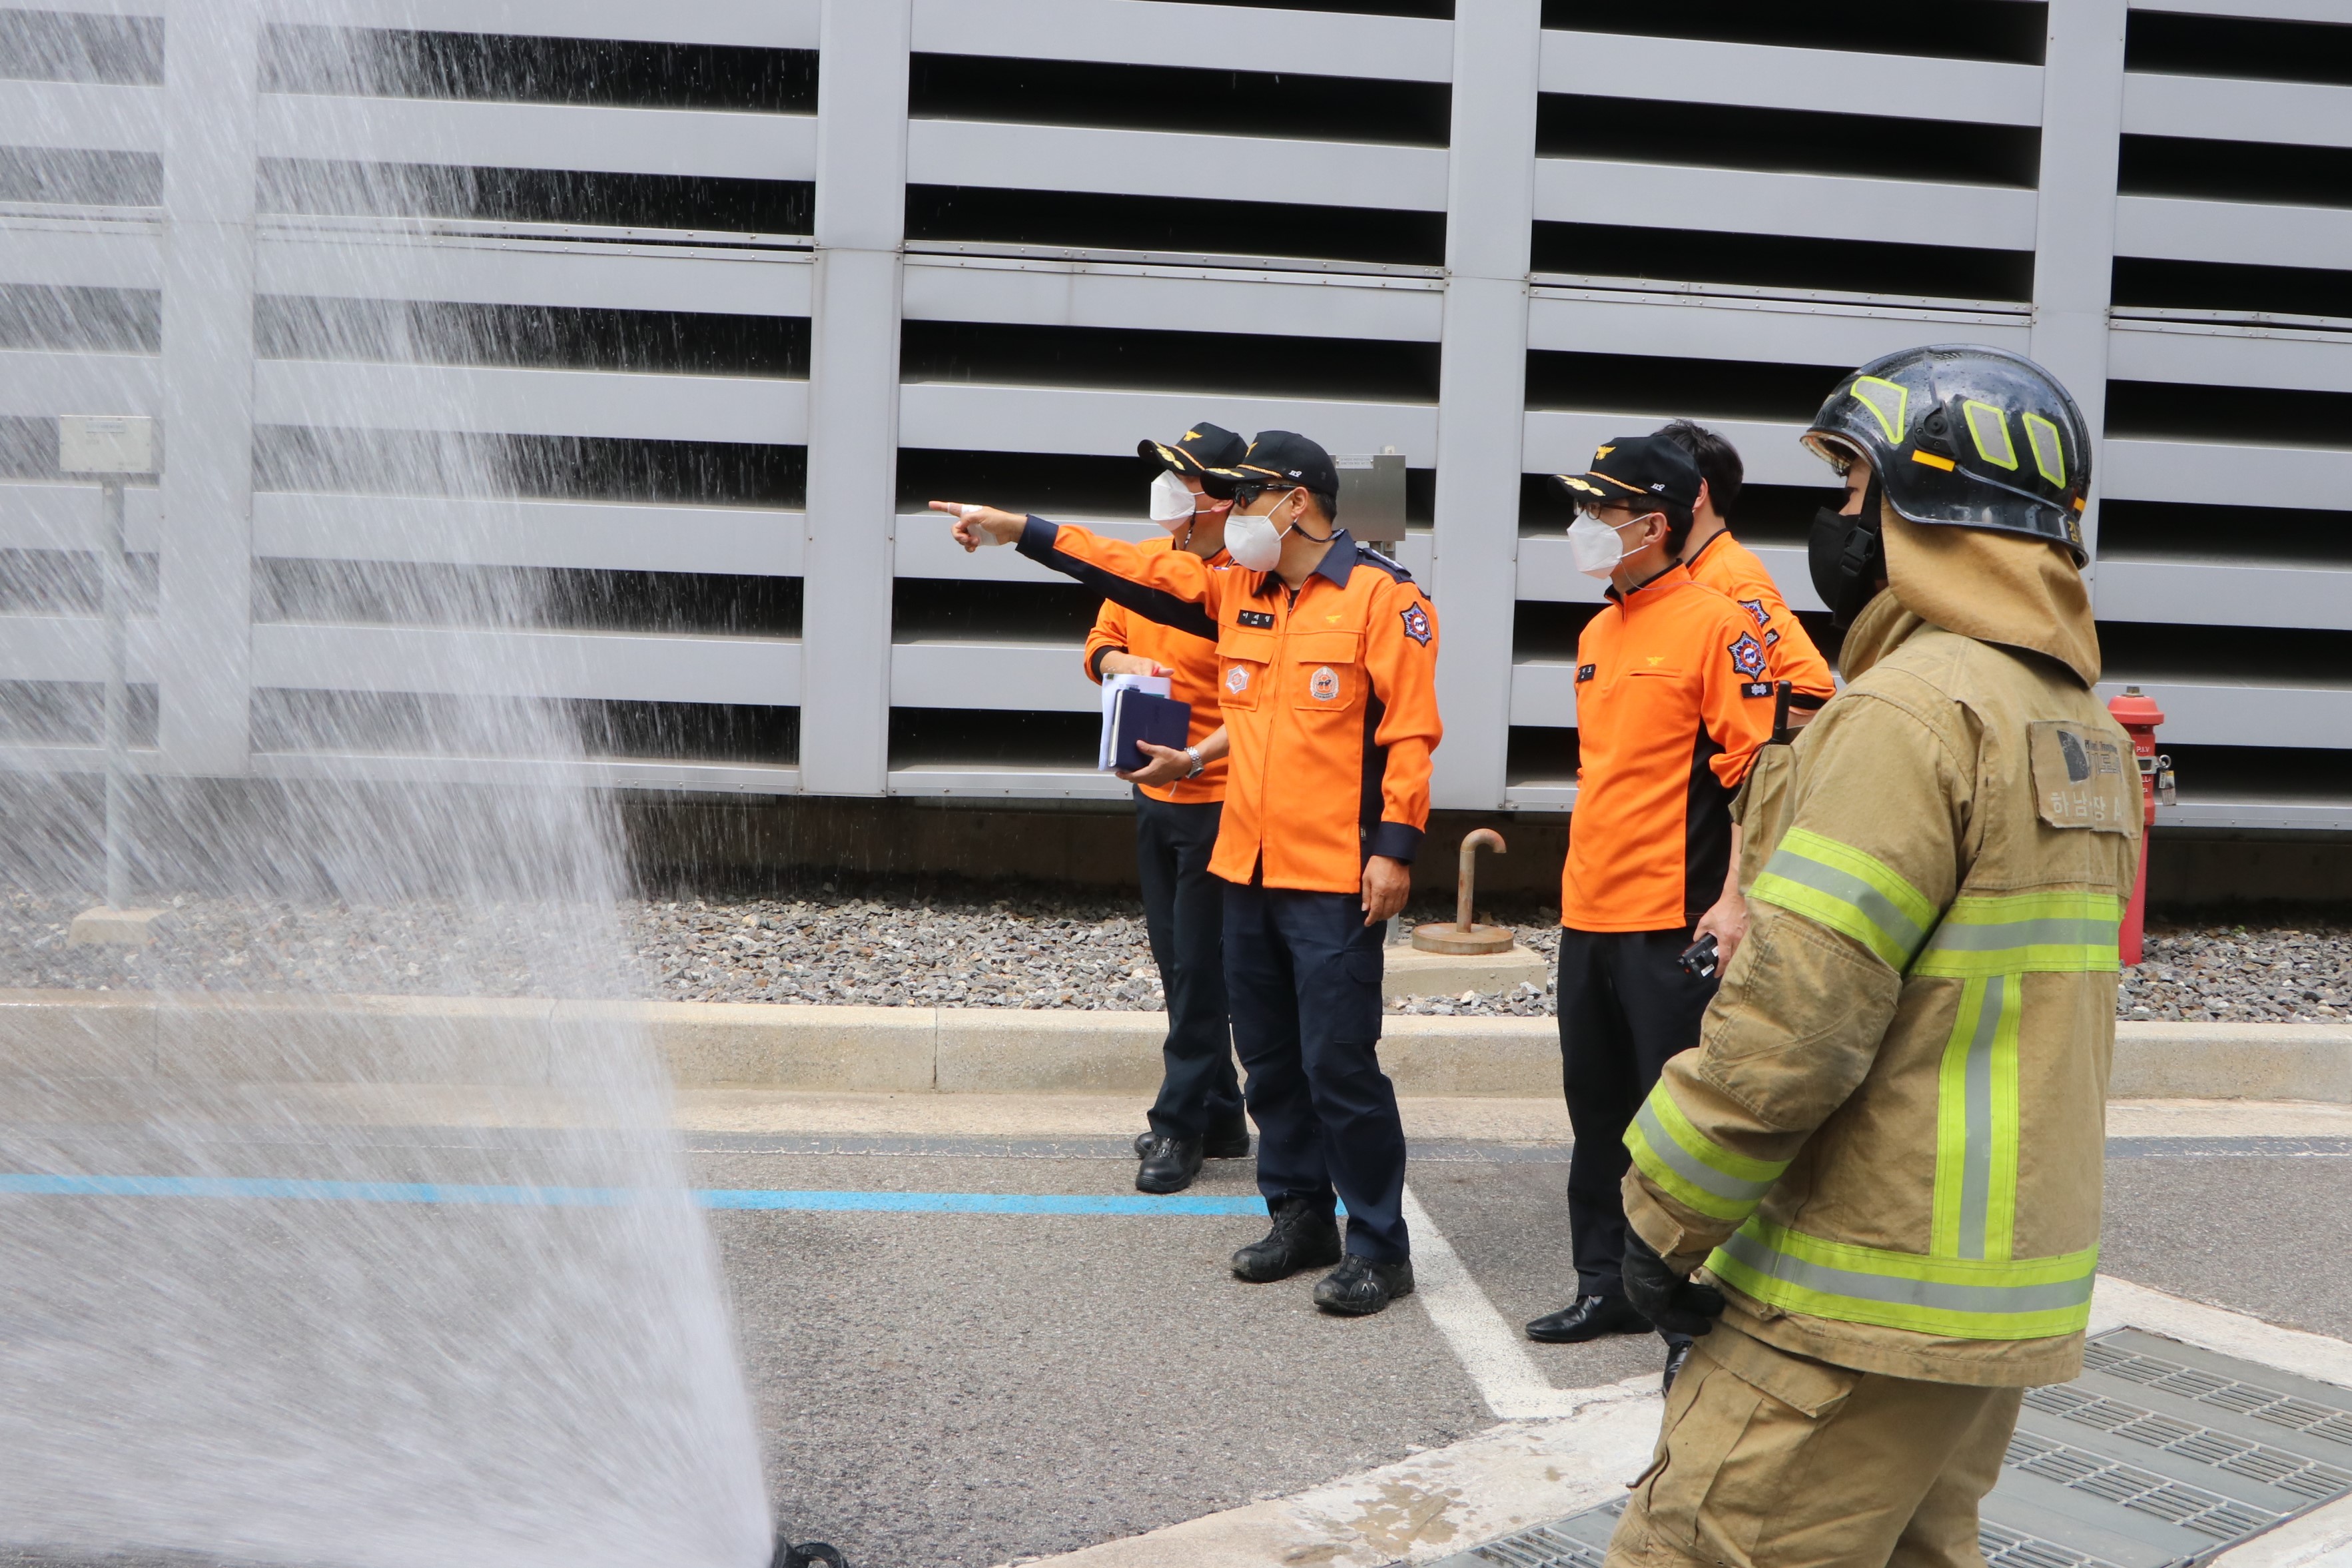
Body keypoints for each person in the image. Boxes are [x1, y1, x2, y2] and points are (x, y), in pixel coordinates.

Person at [1606, 346, 2137, 1567]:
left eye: (1851, 482)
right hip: (1982, 1301)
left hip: (1853, 1295)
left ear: (1930, 502)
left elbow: (1796, 1016)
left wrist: (1661, 1211)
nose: (1835, 517)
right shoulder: (2068, 720)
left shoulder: (1910, 711)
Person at [932, 430, 1441, 1316]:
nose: (1229, 513)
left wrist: (1393, 848)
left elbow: (1408, 732)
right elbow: (1152, 596)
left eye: (1244, 496)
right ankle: (1297, 1215)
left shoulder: (1380, 600)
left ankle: (1378, 1245)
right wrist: (1021, 530)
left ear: (1297, 502)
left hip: (1329, 871)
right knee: (1271, 1060)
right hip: (1241, 858)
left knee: (1337, 1064)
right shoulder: (1237, 591)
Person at [1522, 436, 1772, 1390]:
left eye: (1599, 510)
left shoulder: (1717, 623)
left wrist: (1734, 897)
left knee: (1672, 1121)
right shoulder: (1599, 632)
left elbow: (1755, 774)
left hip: (1670, 919)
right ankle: (1606, 1282)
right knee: (1593, 1112)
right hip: (1589, 912)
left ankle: (1682, 1301)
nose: (1583, 527)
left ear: (1651, 523)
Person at [1089, 422, 1250, 1194]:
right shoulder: (1147, 563)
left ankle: (1178, 1125)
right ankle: (1220, 1111)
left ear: (1218, 498)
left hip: (1215, 797)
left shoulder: (1245, 585)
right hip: (1152, 789)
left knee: (1198, 965)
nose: (1165, 488)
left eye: (1180, 476)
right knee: (1174, 959)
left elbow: (1256, 708)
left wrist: (1193, 757)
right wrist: (1126, 661)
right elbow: (1100, 640)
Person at [1655, 419, 1836, 728]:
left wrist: (1710, 735)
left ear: (1698, 493)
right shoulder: (1696, 572)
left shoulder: (1731, 576)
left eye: (1655, 484)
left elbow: (1812, 691)